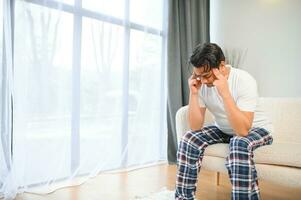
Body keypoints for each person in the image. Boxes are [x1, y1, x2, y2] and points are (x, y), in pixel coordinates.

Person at [175, 43, 273, 200]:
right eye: (198, 75)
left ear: (221, 66)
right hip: (224, 129)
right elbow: (195, 127)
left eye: (206, 75)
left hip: (256, 128)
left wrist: (225, 93)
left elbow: (242, 131)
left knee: (239, 142)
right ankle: (183, 198)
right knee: (188, 139)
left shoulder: (244, 80)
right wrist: (194, 94)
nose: (203, 81)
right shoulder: (201, 83)